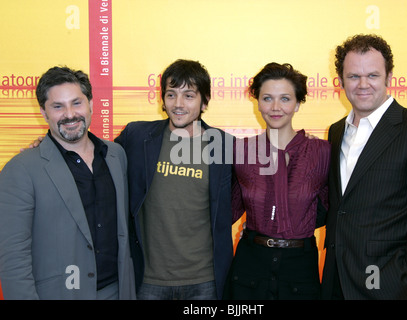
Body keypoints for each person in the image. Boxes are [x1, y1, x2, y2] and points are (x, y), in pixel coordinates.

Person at [321, 34, 407, 300]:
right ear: (341, 81)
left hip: (391, 286)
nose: (363, 84)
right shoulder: (335, 132)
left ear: (389, 77)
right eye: (354, 76)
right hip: (337, 283)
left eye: (373, 75)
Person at [0, 66, 136, 299]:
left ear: (91, 103)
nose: (70, 114)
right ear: (43, 112)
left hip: (117, 291)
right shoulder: (20, 169)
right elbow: (13, 257)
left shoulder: (116, 155)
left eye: (76, 103)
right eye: (58, 106)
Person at [115, 59, 233, 300]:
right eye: (171, 94)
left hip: (204, 281)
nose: (178, 104)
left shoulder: (224, 146)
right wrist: (54, 144)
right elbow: (96, 159)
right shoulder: (136, 137)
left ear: (205, 101)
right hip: (148, 280)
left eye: (189, 95)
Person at [224, 63, 330, 299]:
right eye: (267, 98)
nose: (275, 107)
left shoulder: (322, 152)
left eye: (285, 99)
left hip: (300, 268)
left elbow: (333, 208)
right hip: (250, 265)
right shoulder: (242, 150)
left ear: (298, 103)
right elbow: (226, 210)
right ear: (257, 102)